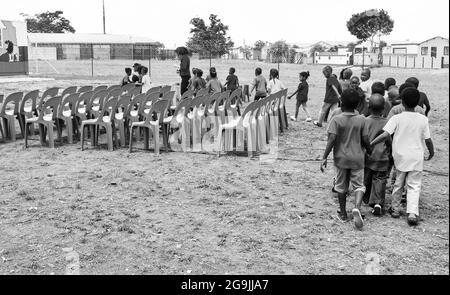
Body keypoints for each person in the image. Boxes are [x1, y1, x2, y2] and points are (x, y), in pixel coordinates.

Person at [370, 87, 434, 226]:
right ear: (418, 102)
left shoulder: (397, 118)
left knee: (398, 182)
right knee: (414, 185)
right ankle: (412, 212)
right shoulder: (423, 119)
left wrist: (371, 143)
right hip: (416, 156)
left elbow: (385, 134)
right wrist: (431, 151)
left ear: (402, 102)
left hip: (400, 156)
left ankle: (395, 209)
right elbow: (428, 140)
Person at [320, 88, 372, 229]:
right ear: (358, 104)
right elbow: (365, 138)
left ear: (341, 103)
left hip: (341, 159)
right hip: (358, 159)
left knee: (341, 186)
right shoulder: (362, 119)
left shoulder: (336, 119)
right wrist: (369, 150)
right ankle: (356, 207)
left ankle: (343, 213)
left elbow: (331, 139)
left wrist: (324, 157)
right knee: (359, 185)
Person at [363, 94, 392, 216]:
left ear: (369, 107)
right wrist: (390, 153)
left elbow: (362, 138)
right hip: (382, 157)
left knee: (367, 177)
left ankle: (366, 198)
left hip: (368, 155)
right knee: (380, 179)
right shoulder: (388, 122)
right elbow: (389, 140)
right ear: (383, 108)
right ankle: (378, 203)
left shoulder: (365, 121)